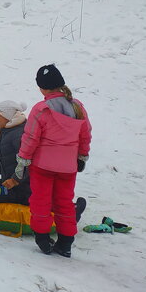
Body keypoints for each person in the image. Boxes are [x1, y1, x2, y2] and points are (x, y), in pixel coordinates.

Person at [15, 64, 92, 258]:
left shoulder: (41, 109)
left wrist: (22, 161)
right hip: (68, 167)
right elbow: (85, 134)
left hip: (42, 166)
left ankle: (42, 238)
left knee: (40, 201)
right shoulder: (77, 107)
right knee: (64, 202)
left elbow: (30, 138)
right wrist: (82, 156)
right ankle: (65, 242)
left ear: (43, 88)